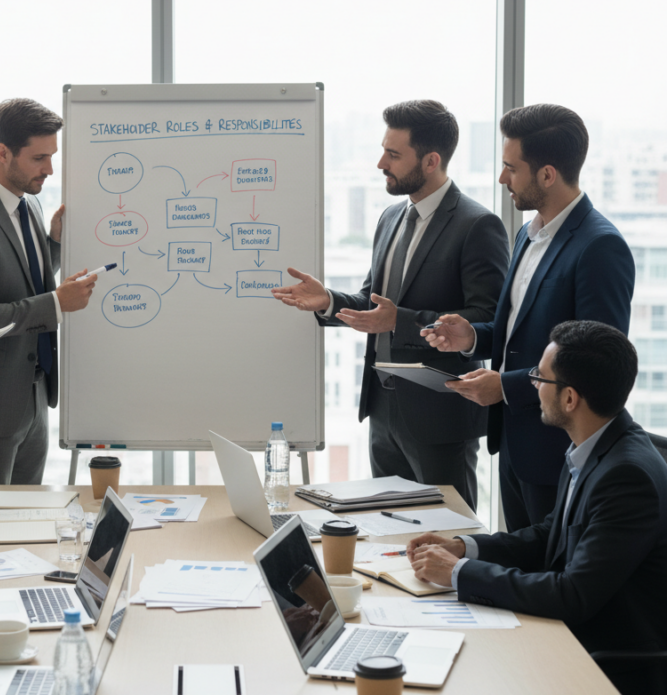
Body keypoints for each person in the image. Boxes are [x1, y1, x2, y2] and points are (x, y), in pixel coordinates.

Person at [408, 321, 667, 695]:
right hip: (570, 638)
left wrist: (460, 572)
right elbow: (552, 533)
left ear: (569, 399)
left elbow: (573, 595)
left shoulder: (627, 476)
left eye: (539, 377)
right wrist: (466, 548)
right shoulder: (597, 445)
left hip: (607, 665)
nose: (531, 384)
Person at [271, 100, 508, 511]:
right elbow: (374, 301)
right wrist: (329, 300)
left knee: (445, 537)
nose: (381, 163)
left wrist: (400, 321)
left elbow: (487, 321)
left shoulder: (477, 225)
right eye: (384, 150)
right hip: (382, 409)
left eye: (394, 155)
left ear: (431, 160)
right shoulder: (390, 218)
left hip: (440, 416)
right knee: (387, 533)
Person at [421, 104, 634, 531]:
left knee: (548, 582)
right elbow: (519, 332)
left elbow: (598, 366)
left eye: (510, 168)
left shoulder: (599, 248)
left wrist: (504, 386)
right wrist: (473, 338)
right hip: (515, 447)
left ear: (547, 175)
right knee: (518, 570)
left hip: (559, 450)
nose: (502, 179)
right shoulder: (527, 233)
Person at [0, 97, 97, 485]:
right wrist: (56, 304)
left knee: (23, 526)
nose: (50, 169)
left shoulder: (30, 206)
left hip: (34, 397)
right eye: (39, 158)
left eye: (52, 156)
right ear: (3, 153)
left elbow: (20, 281)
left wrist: (53, 246)